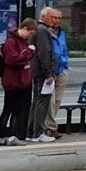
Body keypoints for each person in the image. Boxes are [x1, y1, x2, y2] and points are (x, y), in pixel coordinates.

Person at [0, 17, 38, 146]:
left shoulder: (22, 41)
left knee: (16, 110)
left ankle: (13, 135)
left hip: (21, 80)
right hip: (13, 81)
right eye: (30, 33)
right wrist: (29, 52)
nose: (29, 37)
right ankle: (4, 136)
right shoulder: (11, 41)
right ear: (25, 29)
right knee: (9, 109)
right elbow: (11, 60)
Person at [27, 9, 60, 143]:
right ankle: (38, 133)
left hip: (37, 71)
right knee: (42, 102)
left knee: (37, 101)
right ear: (44, 17)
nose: (54, 20)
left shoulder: (38, 29)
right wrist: (49, 73)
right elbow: (44, 52)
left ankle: (31, 132)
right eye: (51, 17)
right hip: (42, 73)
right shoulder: (43, 30)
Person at [40, 7, 71, 139]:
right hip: (50, 71)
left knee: (57, 100)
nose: (57, 20)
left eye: (59, 18)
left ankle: (49, 127)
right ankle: (50, 128)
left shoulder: (61, 33)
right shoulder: (44, 32)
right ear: (46, 17)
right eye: (54, 17)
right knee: (50, 101)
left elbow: (64, 49)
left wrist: (65, 64)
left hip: (62, 69)